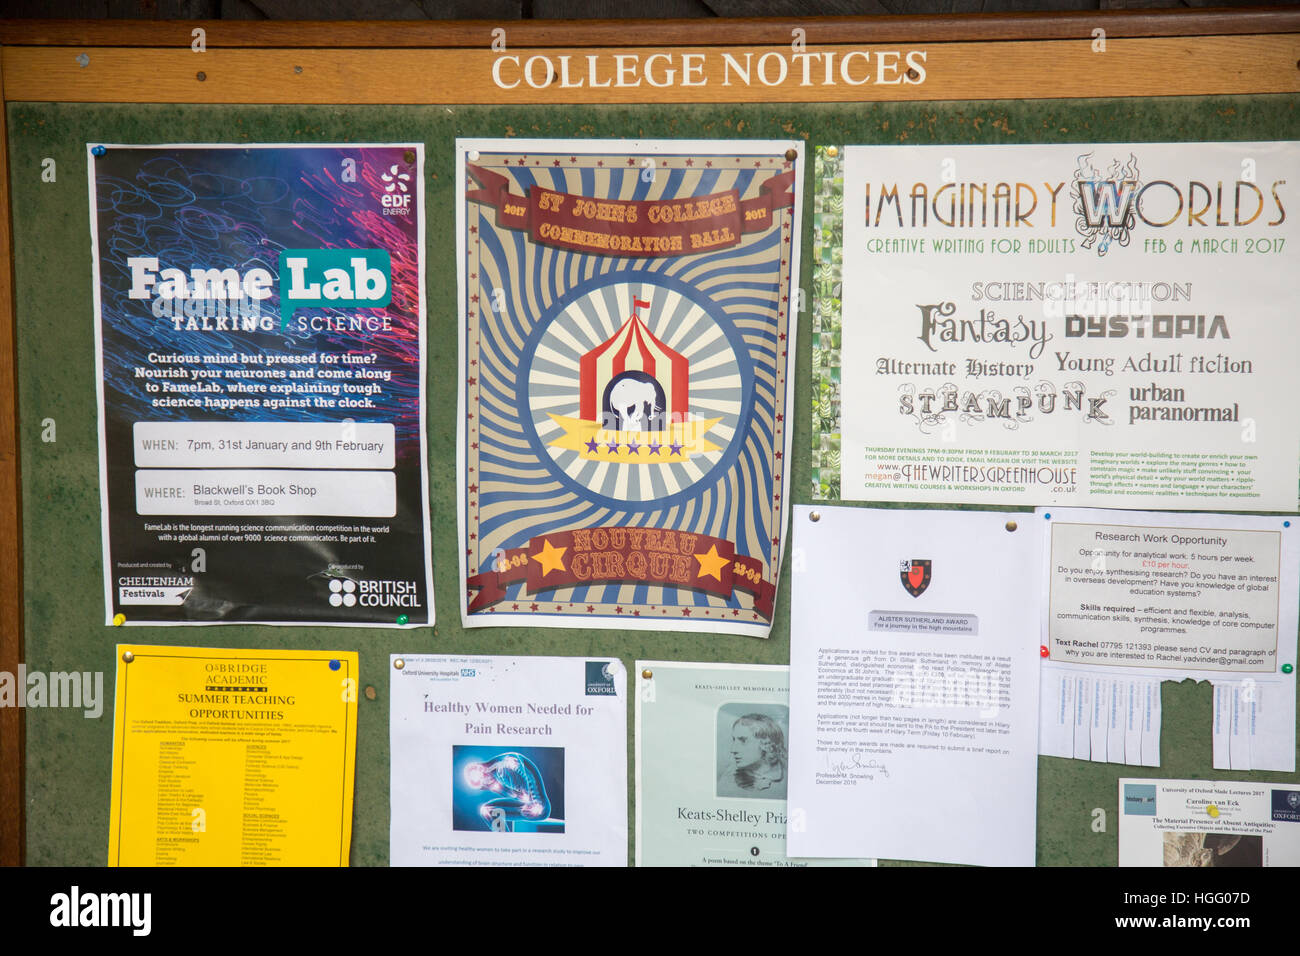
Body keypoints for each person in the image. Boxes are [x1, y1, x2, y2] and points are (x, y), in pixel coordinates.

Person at [717, 712, 787, 798]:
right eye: (734, 740)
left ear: (766, 743)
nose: (733, 750)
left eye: (743, 740)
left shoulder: (789, 775)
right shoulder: (730, 776)